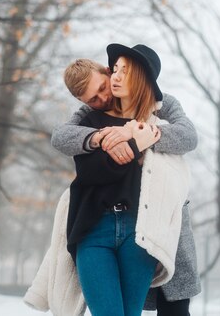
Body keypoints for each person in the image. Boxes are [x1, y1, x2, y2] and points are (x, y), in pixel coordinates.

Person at [52, 47, 200, 316]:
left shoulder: (162, 105)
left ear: (105, 73)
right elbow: (62, 137)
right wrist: (99, 138)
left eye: (102, 87)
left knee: (175, 308)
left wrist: (140, 136)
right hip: (97, 223)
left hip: (152, 224)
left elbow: (188, 137)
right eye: (92, 98)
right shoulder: (91, 117)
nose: (102, 97)